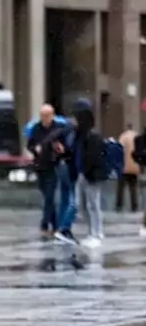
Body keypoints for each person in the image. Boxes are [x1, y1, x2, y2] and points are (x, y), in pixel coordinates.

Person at [27, 104, 70, 241]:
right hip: (40, 166)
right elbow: (30, 144)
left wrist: (61, 148)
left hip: (53, 165)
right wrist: (35, 149)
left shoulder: (58, 128)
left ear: (52, 115)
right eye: (42, 116)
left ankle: (44, 224)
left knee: (50, 197)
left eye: (47, 115)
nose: (44, 118)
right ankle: (55, 225)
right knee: (47, 197)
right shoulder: (36, 128)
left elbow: (66, 146)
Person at [67, 99, 106, 247]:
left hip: (91, 175)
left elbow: (95, 157)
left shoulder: (92, 135)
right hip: (82, 173)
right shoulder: (78, 134)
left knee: (93, 205)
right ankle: (91, 232)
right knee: (82, 205)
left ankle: (97, 233)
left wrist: (89, 170)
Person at [117, 124, 139, 213]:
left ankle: (119, 205)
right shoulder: (137, 136)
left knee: (120, 187)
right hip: (134, 166)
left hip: (124, 167)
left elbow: (118, 150)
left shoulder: (123, 137)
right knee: (133, 188)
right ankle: (134, 206)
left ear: (126, 127)